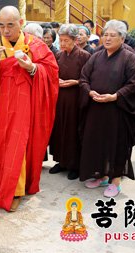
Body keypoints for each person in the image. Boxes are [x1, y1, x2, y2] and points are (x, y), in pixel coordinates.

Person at [0, 6, 59, 212]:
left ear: (21, 23)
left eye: (10, 25)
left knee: (18, 146)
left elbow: (52, 72)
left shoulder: (35, 45)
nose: (5, 30)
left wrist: (32, 68)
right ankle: (5, 185)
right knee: (1, 146)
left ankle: (16, 190)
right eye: (1, 25)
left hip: (24, 106)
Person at [79, 20, 135, 198]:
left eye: (112, 35)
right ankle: (101, 175)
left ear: (122, 38)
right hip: (96, 108)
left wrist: (116, 96)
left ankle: (116, 181)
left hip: (117, 110)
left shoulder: (129, 57)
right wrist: (89, 92)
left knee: (116, 145)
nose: (107, 38)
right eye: (105, 34)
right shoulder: (96, 56)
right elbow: (83, 77)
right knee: (97, 142)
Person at [48, 24, 91, 180]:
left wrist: (76, 81)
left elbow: (88, 78)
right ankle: (61, 161)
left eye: (66, 40)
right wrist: (56, 80)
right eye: (61, 40)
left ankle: (75, 165)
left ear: (75, 40)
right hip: (60, 98)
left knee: (73, 130)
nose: (63, 43)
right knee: (59, 129)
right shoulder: (58, 55)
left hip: (75, 98)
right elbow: (52, 74)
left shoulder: (84, 56)